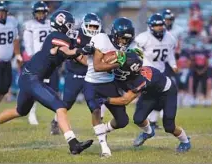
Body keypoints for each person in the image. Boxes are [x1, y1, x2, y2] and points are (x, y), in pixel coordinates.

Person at [0, 10, 93, 155]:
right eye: (70, 25)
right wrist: (83, 49)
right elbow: (70, 51)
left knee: (20, 110)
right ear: (62, 25)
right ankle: (73, 144)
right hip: (33, 78)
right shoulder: (56, 36)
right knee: (61, 107)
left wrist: (94, 61)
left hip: (28, 78)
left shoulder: (64, 40)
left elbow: (79, 58)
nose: (72, 29)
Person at [99, 51, 191, 152]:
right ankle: (149, 132)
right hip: (150, 93)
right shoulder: (131, 69)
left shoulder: (140, 80)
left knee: (169, 126)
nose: (115, 69)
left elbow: (125, 100)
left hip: (167, 93)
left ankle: (185, 142)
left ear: (130, 71)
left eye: (118, 68)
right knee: (138, 119)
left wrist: (105, 99)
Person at [84, 17, 134, 157]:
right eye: (122, 38)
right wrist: (118, 64)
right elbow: (98, 66)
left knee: (123, 121)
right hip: (92, 83)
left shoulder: (126, 46)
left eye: (127, 39)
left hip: (109, 83)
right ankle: (104, 148)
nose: (124, 42)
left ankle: (103, 129)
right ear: (115, 34)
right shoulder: (101, 39)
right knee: (95, 110)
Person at [51, 13, 103, 135]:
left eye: (95, 27)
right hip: (76, 72)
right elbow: (77, 55)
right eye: (90, 26)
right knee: (67, 103)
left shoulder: (102, 36)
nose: (93, 29)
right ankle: (55, 121)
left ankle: (100, 124)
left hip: (92, 75)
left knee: (99, 101)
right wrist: (95, 64)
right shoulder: (75, 35)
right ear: (84, 26)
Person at [129, 13, 178, 129]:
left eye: (161, 24)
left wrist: (173, 64)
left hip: (161, 72)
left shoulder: (170, 38)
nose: (159, 27)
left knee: (159, 99)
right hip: (147, 71)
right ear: (151, 26)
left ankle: (152, 122)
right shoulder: (143, 38)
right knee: (147, 97)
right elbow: (134, 52)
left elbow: (170, 53)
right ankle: (143, 119)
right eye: (156, 25)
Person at [23, 1, 60, 125]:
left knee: (55, 88)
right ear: (34, 13)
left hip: (51, 60)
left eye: (42, 12)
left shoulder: (51, 24)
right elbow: (28, 45)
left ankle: (57, 117)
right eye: (38, 12)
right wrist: (33, 59)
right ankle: (32, 113)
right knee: (36, 88)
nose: (40, 15)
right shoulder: (30, 25)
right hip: (38, 61)